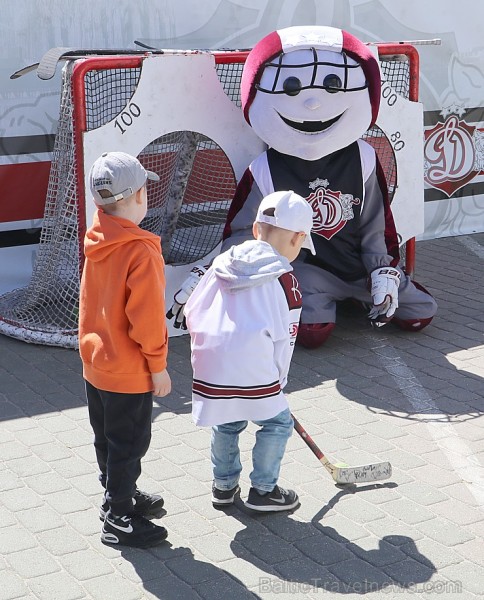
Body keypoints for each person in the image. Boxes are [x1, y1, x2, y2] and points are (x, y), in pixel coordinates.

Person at [167, 25, 437, 348]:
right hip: (309, 274)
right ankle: (333, 301)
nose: (312, 104)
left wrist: (383, 272)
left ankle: (363, 295)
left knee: (421, 312)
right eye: (292, 87)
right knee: (311, 332)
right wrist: (210, 274)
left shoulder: (363, 158)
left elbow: (376, 228)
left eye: (333, 85)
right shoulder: (265, 168)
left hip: (357, 268)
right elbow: (242, 236)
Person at [184, 190, 314, 512]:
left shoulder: (221, 263)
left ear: (256, 229)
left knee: (226, 421)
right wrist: (278, 382)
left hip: (211, 364)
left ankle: (224, 487)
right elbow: (286, 338)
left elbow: (192, 308)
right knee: (276, 423)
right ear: (298, 238)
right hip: (255, 365)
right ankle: (264, 492)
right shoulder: (285, 280)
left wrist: (207, 353)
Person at [79, 151, 171, 548]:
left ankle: (118, 495)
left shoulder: (98, 238)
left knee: (108, 439)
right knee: (130, 443)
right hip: (129, 371)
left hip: (96, 364)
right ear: (137, 197)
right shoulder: (141, 251)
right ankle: (118, 518)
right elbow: (148, 319)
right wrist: (159, 366)